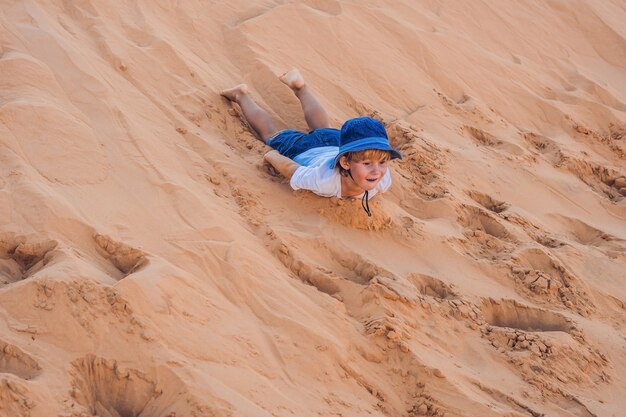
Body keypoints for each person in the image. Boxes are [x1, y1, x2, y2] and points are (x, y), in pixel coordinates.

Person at [220, 69, 401, 216]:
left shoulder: (383, 179)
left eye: (382, 162)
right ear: (345, 163)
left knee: (323, 127)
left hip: (336, 142)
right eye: (367, 163)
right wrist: (271, 155)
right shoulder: (324, 180)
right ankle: (241, 96)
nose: (377, 171)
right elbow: (290, 169)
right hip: (303, 148)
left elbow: (372, 169)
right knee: (270, 135)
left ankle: (300, 87)